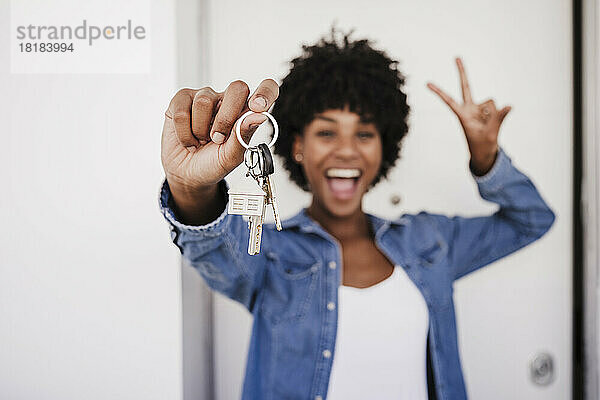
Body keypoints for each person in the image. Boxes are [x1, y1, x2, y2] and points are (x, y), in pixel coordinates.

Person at [159, 31, 555, 400]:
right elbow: (209, 241)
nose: (347, 151)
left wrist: (486, 159)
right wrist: (190, 185)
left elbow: (531, 220)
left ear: (385, 147)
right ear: (297, 146)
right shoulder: (271, 253)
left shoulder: (430, 240)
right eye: (327, 133)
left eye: (364, 134)